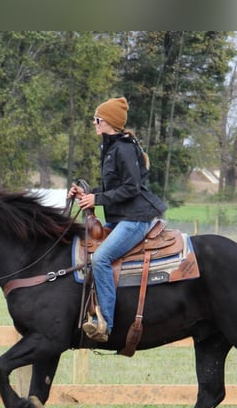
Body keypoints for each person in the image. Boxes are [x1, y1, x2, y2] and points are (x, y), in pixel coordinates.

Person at [68, 97, 167, 343]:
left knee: (101, 259)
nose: (94, 123)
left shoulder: (123, 149)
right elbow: (111, 186)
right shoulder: (109, 147)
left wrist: (96, 199)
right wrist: (85, 194)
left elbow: (132, 188)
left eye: (97, 119)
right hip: (121, 217)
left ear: (109, 122)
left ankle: (105, 324)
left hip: (136, 219)